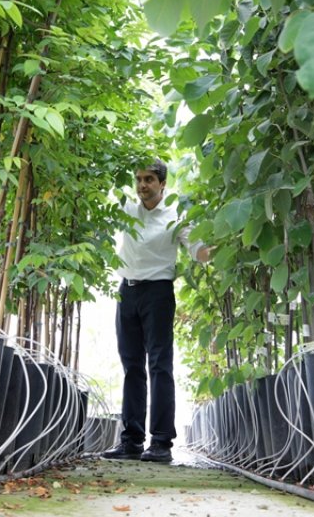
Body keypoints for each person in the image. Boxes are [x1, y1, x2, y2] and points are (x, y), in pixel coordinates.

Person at [103, 159, 210, 464]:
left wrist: (225, 246)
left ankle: (161, 443)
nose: (142, 185)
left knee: (160, 365)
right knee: (131, 366)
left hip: (158, 293)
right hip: (127, 291)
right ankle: (132, 441)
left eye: (149, 179)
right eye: (138, 179)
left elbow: (199, 252)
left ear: (162, 183)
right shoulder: (126, 209)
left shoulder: (177, 214)